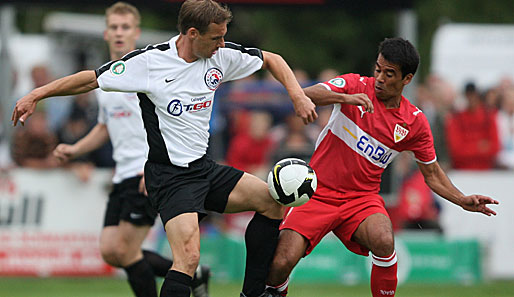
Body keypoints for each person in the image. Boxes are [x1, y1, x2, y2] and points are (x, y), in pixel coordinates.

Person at [12, 1, 318, 297]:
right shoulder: (149, 62)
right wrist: (38, 93)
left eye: (224, 35)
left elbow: (272, 59)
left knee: (272, 201)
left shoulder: (220, 56)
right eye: (216, 37)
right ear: (192, 34)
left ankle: (253, 294)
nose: (223, 44)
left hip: (204, 168)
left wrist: (297, 95)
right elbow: (90, 80)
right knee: (188, 258)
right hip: (170, 177)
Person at [264, 38, 499, 297]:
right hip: (317, 192)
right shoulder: (355, 85)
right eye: (378, 69)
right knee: (281, 263)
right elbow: (305, 94)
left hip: (361, 199)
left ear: (406, 79)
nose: (379, 79)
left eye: (389, 74)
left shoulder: (414, 123)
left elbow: (432, 174)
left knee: (384, 239)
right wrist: (345, 98)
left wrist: (462, 199)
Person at [51, 2, 210, 297]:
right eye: (114, 27)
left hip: (143, 172)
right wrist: (75, 150)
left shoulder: (146, 71)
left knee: (125, 250)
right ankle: (194, 275)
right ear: (105, 33)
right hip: (121, 173)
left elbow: (164, 124)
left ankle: (187, 275)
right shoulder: (109, 77)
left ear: (136, 32)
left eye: (126, 27)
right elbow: (104, 126)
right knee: (111, 251)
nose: (119, 32)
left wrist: (149, 168)